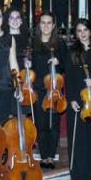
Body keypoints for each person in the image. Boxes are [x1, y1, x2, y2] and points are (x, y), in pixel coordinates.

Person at [65, 19, 91, 180]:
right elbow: (69, 78)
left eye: (85, 30)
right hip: (78, 99)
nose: (82, 33)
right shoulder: (72, 52)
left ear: (90, 31)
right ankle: (80, 173)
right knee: (79, 137)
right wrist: (71, 100)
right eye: (79, 30)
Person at [29, 11, 67, 169]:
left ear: (53, 25)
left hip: (54, 90)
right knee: (41, 123)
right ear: (39, 25)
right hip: (38, 88)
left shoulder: (60, 44)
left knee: (53, 124)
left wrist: (58, 61)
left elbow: (66, 65)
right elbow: (29, 64)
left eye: (48, 23)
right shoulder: (33, 43)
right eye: (43, 22)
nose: (45, 25)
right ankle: (44, 156)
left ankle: (51, 155)